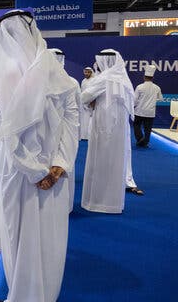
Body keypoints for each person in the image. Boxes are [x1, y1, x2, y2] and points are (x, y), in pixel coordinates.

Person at [0, 10, 79, 302]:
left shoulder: (2, 72)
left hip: (23, 171)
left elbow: (7, 129)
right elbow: (70, 119)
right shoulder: (53, 70)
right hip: (41, 172)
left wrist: (47, 168)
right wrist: (57, 165)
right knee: (36, 235)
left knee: (30, 236)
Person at [81, 49, 139, 214]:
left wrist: (91, 103)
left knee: (100, 160)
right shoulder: (125, 81)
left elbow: (84, 97)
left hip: (102, 126)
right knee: (115, 161)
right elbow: (132, 102)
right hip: (120, 129)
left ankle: (97, 202)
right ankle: (113, 203)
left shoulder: (102, 79)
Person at [49, 48, 81, 213]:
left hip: (64, 132)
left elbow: (75, 110)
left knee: (63, 166)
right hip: (57, 133)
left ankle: (64, 206)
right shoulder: (72, 81)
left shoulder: (71, 82)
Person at [133, 64, 163, 147]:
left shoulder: (139, 87)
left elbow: (135, 100)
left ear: (144, 77)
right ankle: (145, 142)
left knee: (136, 125)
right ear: (152, 78)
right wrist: (153, 100)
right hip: (150, 112)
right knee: (148, 129)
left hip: (139, 111)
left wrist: (133, 107)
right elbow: (160, 99)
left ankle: (140, 139)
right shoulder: (157, 88)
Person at [80, 66, 95, 140]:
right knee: (84, 118)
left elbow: (93, 92)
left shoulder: (93, 80)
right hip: (83, 102)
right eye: (85, 72)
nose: (86, 73)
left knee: (90, 119)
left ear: (91, 72)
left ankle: (89, 136)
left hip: (90, 102)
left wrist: (91, 101)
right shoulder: (83, 81)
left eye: (88, 72)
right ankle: (83, 135)